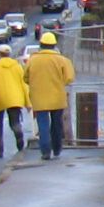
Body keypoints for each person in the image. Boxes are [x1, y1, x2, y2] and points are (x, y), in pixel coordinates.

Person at [25, 30, 74, 160]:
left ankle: (45, 151)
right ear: (54, 45)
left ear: (41, 44)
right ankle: (57, 148)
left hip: (39, 98)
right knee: (57, 124)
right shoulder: (62, 60)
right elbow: (69, 78)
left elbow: (25, 77)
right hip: (57, 97)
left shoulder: (33, 60)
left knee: (43, 124)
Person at [0, 41, 28, 157]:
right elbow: (24, 85)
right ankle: (19, 139)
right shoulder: (17, 67)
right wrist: (28, 102)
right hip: (15, 99)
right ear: (9, 54)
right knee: (15, 122)